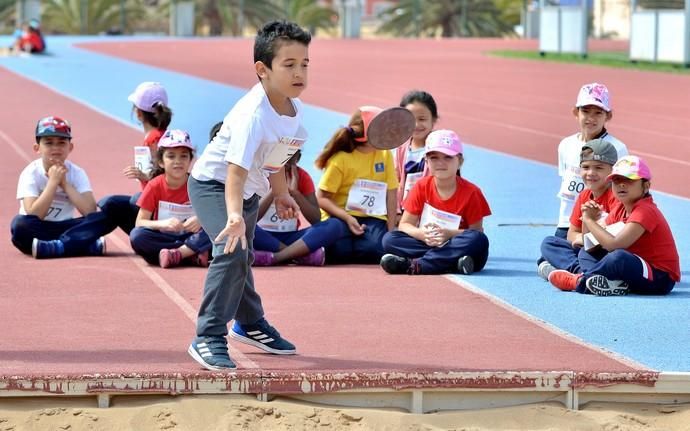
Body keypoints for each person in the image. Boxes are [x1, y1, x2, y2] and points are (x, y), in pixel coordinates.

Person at [186, 20, 311, 370]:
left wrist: (282, 193)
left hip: (248, 192)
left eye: (304, 64)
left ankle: (251, 323)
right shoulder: (252, 116)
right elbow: (234, 172)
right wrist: (234, 216)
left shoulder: (293, 109)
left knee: (243, 257)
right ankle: (208, 335)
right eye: (289, 65)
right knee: (230, 251)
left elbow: (275, 160)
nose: (299, 72)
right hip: (215, 185)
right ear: (263, 69)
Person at [548, 156, 680, 296]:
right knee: (581, 250)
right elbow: (589, 244)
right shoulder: (620, 208)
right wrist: (588, 219)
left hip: (660, 278)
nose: (621, 185)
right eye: (617, 181)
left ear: (646, 186)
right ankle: (599, 280)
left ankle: (579, 281)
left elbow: (614, 245)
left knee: (618, 257)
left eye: (628, 180)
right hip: (634, 270)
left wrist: (589, 220)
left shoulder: (645, 210)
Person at [380, 130, 491, 275]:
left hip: (455, 243)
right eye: (434, 158)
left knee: (479, 240)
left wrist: (448, 234)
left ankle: (417, 265)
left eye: (448, 157)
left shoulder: (472, 192)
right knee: (389, 239)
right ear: (426, 162)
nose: (440, 163)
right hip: (430, 242)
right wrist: (422, 234)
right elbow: (405, 224)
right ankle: (451, 264)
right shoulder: (421, 186)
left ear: (460, 162)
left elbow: (475, 231)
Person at [11, 116, 114, 258]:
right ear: (37, 148)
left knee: (109, 215)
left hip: (67, 227)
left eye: (61, 143)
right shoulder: (30, 173)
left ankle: (56, 247)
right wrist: (53, 182)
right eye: (49, 143)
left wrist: (65, 184)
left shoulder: (77, 173)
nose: (56, 148)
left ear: (70, 147)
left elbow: (89, 211)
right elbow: (34, 213)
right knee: (19, 224)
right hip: (38, 228)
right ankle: (82, 246)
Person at [314, 106, 399, 264]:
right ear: (365, 134)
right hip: (340, 216)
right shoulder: (341, 160)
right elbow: (321, 198)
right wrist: (347, 218)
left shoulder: (385, 154)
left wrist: (391, 229)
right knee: (339, 252)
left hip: (372, 217)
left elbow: (391, 192)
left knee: (376, 250)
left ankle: (361, 244)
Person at [553, 83, 627, 239]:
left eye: (598, 113)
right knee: (550, 246)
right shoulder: (566, 145)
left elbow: (621, 187)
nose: (591, 118)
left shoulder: (617, 148)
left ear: (608, 116)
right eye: (585, 111)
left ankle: (572, 261)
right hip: (567, 222)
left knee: (577, 252)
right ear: (575, 112)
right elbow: (565, 179)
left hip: (600, 222)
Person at [538, 139, 620, 280]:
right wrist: (583, 239)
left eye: (599, 168)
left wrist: (586, 239)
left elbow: (615, 236)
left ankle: (577, 274)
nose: (591, 173)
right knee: (549, 243)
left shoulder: (617, 195)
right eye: (586, 167)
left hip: (607, 249)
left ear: (612, 171)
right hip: (588, 247)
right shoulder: (584, 195)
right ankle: (580, 273)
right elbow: (571, 234)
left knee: (585, 253)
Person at [129, 130, 211, 268]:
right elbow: (140, 222)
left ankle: (179, 254)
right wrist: (163, 224)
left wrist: (200, 219)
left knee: (216, 228)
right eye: (171, 156)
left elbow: (214, 213)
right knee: (137, 236)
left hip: (192, 236)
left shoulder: (198, 185)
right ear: (161, 162)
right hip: (165, 238)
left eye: (183, 156)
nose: (177, 162)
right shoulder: (154, 185)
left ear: (190, 160)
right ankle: (191, 254)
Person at [98, 82, 172, 234]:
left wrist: (145, 176)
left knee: (122, 203)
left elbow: (168, 177)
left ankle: (149, 238)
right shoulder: (161, 136)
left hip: (160, 206)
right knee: (108, 203)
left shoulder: (155, 139)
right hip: (155, 204)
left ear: (138, 113)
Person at [252, 150, 326, 266]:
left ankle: (276, 257)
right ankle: (297, 255)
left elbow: (316, 219)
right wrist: (277, 190)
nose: (285, 160)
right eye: (283, 153)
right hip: (262, 234)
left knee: (335, 225)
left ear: (298, 158)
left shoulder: (302, 176)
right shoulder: (259, 175)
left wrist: (295, 193)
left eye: (291, 155)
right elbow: (252, 218)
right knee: (245, 225)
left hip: (292, 236)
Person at [395, 90, 439, 209]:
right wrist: (397, 211)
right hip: (405, 209)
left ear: (433, 119)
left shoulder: (439, 148)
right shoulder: (401, 147)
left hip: (428, 210)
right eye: (410, 119)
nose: (416, 125)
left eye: (422, 119)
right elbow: (397, 181)